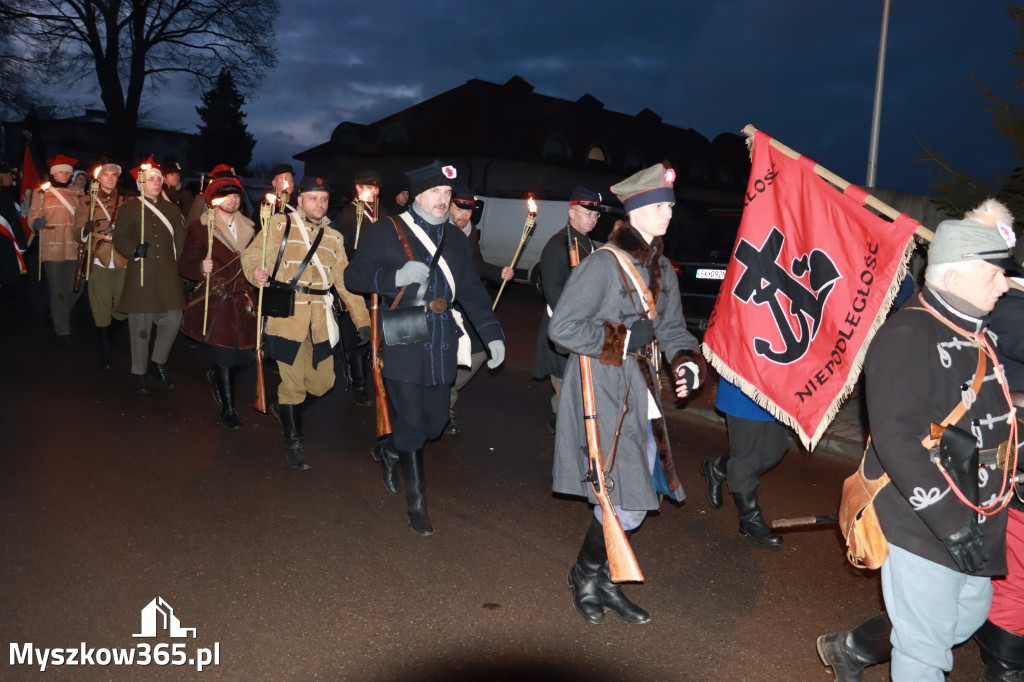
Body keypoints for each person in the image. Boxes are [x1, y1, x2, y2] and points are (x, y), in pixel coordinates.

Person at [816, 198, 1020, 681]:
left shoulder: (974, 330)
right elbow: (897, 439)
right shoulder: (908, 334)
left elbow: (986, 414)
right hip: (925, 515)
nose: (1004, 285)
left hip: (978, 505)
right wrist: (948, 523)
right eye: (992, 275)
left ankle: (854, 647)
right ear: (953, 279)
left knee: (966, 616)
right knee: (926, 651)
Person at [549, 164, 702, 624]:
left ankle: (598, 579)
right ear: (635, 211)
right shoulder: (603, 264)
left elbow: (673, 327)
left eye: (671, 206)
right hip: (601, 389)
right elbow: (564, 329)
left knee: (630, 494)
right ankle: (589, 575)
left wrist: (688, 362)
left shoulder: (660, 267)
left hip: (642, 390)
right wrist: (624, 339)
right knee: (624, 496)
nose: (669, 213)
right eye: (661, 206)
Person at [344, 160, 506, 535]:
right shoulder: (387, 230)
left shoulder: (456, 239)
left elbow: (470, 292)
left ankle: (389, 449)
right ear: (417, 194)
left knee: (434, 424)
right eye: (436, 191)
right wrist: (394, 276)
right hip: (403, 331)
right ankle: (417, 502)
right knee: (414, 423)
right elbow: (354, 275)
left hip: (441, 338)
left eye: (447, 193)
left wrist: (493, 333)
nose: (443, 199)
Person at [240, 175, 369, 470]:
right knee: (293, 385)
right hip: (286, 316)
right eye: (313, 198)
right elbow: (250, 256)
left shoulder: (335, 239)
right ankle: (295, 444)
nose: (319, 204)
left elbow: (345, 284)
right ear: (300, 200)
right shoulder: (278, 224)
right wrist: (256, 273)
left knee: (325, 382)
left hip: (320, 319)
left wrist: (362, 320)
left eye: (324, 199)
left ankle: (285, 410)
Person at [179, 176, 257, 429]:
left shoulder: (252, 229)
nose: (233, 199)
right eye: (226, 195)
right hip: (217, 301)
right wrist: (200, 268)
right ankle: (229, 408)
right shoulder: (200, 229)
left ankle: (215, 375)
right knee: (224, 353)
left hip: (243, 300)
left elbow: (255, 261)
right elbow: (185, 264)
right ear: (214, 201)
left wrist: (260, 272)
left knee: (243, 357)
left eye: (236, 195)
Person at [112, 161, 187, 393]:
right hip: (141, 271)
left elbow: (180, 241)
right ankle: (139, 371)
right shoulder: (129, 208)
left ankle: (157, 362)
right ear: (141, 183)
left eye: (159, 179)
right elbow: (119, 237)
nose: (156, 182)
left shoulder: (172, 209)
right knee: (140, 326)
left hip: (166, 273)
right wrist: (134, 249)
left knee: (173, 318)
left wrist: (182, 267)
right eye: (151, 179)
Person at [533, 187, 603, 434]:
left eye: (596, 215)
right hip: (566, 329)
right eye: (587, 213)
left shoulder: (588, 243)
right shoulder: (558, 245)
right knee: (568, 386)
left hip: (585, 328)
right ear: (571, 212)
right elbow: (555, 294)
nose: (593, 219)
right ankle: (562, 425)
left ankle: (568, 423)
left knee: (579, 387)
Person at [444, 187, 513, 435]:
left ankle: (445, 395)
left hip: (466, 305)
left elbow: (476, 265)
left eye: (469, 210)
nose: (464, 215)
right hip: (443, 306)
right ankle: (445, 409)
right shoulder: (438, 230)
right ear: (449, 205)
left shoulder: (469, 233)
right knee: (448, 355)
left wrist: (499, 273)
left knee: (480, 351)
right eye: (460, 208)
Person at [700, 377, 792, 546]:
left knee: (775, 451)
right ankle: (750, 520)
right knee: (746, 458)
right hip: (744, 382)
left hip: (774, 385)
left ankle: (718, 467)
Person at [332, 168, 390, 407]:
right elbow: (338, 249)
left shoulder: (383, 213)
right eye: (367, 187)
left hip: (377, 284)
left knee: (377, 334)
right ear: (357, 188)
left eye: (375, 187)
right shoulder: (347, 214)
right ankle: (359, 385)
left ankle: (378, 378)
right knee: (356, 334)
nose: (372, 191)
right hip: (354, 285)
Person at [73, 161, 130, 369]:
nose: (111, 178)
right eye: (107, 175)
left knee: (123, 307)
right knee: (101, 307)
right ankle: (106, 351)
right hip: (99, 257)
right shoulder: (86, 201)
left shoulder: (126, 201)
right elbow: (76, 230)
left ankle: (106, 333)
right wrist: (84, 231)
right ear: (99, 177)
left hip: (122, 257)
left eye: (114, 175)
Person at [28, 153, 84, 345]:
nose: (64, 174)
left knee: (78, 286)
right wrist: (37, 223)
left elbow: (84, 217)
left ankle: (58, 313)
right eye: (60, 171)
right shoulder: (41, 193)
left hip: (75, 247)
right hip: (52, 247)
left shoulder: (79, 193)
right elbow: (33, 216)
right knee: (59, 290)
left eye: (66, 172)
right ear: (53, 173)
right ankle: (63, 330)